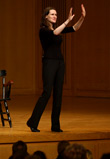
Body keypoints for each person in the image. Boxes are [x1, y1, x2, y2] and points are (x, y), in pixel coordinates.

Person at [27, 4, 86, 132]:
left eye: (56, 14)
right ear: (46, 16)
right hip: (49, 62)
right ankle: (33, 122)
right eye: (52, 14)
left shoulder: (57, 28)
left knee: (58, 94)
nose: (55, 16)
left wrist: (82, 17)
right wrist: (67, 20)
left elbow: (74, 28)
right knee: (47, 92)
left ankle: (55, 126)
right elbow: (54, 33)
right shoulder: (43, 30)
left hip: (60, 63)